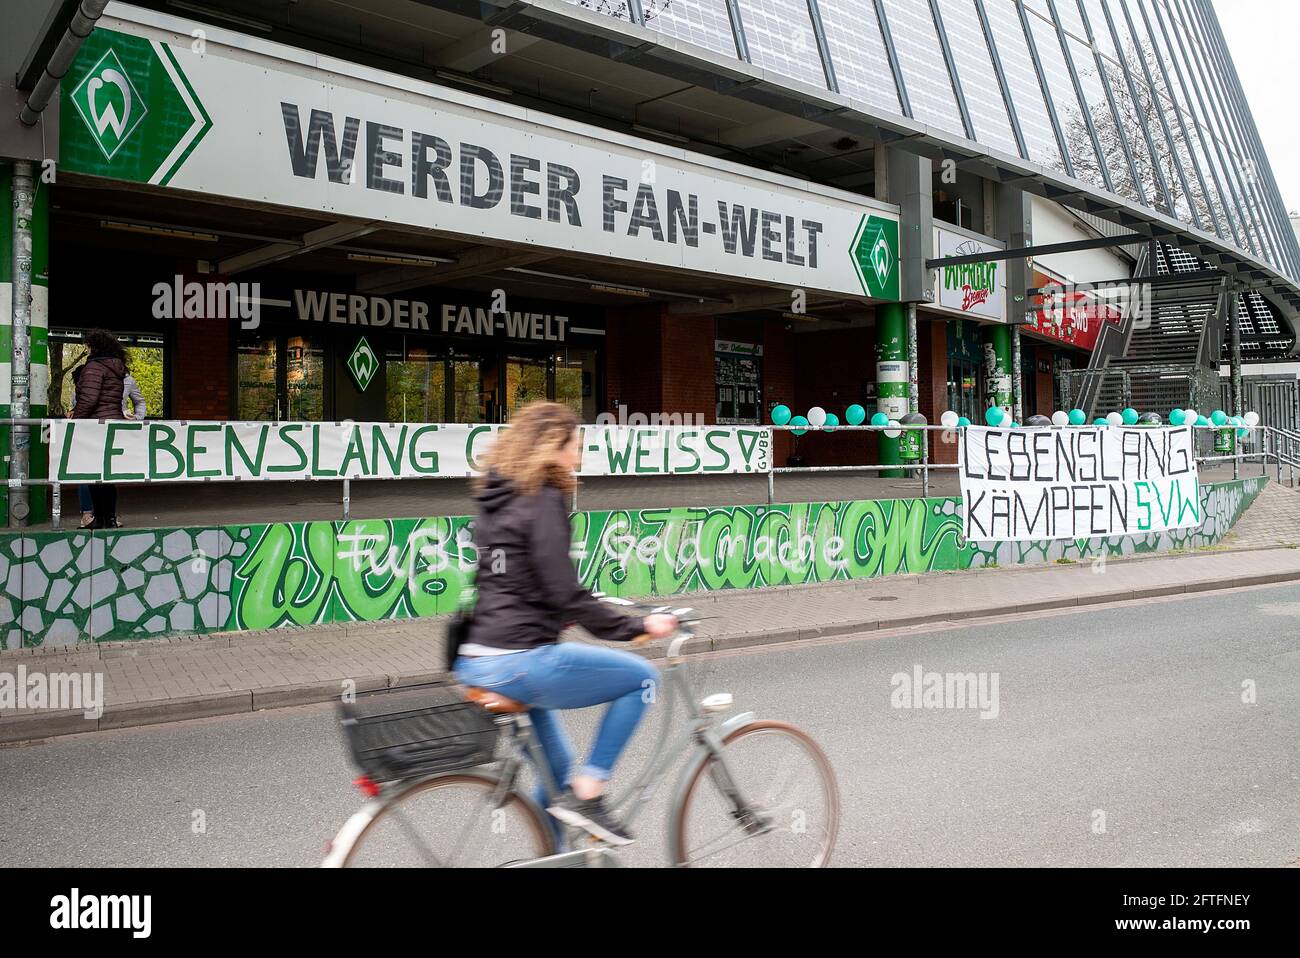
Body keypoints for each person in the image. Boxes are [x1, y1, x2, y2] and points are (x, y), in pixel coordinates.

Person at [452, 401, 677, 846]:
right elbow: (563, 592)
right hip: (519, 660)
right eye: (577, 445)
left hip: (476, 658)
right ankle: (590, 793)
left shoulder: (497, 500)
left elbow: (512, 580)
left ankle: (550, 855)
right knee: (643, 680)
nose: (580, 456)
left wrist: (575, 607)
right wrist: (636, 628)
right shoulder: (543, 500)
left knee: (555, 766)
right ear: (554, 445)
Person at [70, 329, 129, 529]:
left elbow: (89, 399)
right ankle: (109, 518)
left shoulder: (94, 367)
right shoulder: (117, 368)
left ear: (95, 346)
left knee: (93, 475)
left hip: (95, 427)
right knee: (107, 477)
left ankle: (99, 520)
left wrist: (76, 420)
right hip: (113, 424)